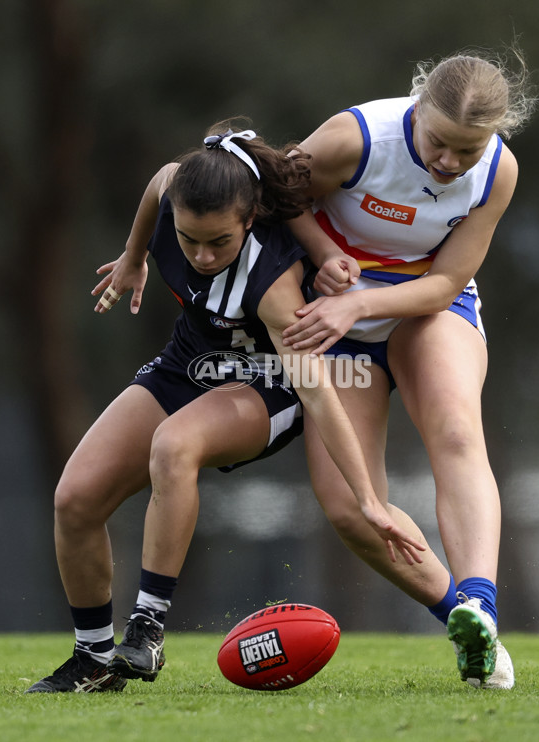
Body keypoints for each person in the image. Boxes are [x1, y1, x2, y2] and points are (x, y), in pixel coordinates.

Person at [26, 123, 427, 693]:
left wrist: (367, 498)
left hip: (269, 386)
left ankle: (147, 627)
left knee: (174, 444)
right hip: (188, 364)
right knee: (75, 498)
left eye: (219, 242)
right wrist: (134, 256)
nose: (202, 255)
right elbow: (157, 186)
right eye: (190, 240)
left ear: (249, 220)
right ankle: (93, 661)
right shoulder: (173, 195)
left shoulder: (271, 281)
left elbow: (316, 390)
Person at [281, 49, 537, 690]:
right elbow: (274, 196)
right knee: (348, 505)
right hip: (333, 324)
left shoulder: (497, 172)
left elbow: (449, 277)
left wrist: (363, 301)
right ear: (418, 108)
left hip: (426, 307)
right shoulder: (354, 140)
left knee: (454, 428)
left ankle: (482, 603)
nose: (451, 164)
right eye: (440, 144)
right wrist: (322, 253)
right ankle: (459, 620)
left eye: (468, 151)